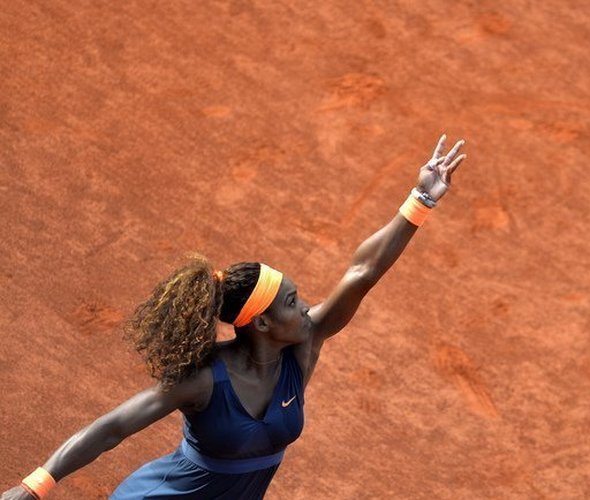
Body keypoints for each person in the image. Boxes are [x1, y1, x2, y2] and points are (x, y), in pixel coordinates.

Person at [3, 134, 467, 500]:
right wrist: (36, 485)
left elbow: (362, 272)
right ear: (260, 323)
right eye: (290, 301)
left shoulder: (303, 347)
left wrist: (419, 203)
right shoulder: (203, 380)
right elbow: (113, 427)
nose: (306, 306)